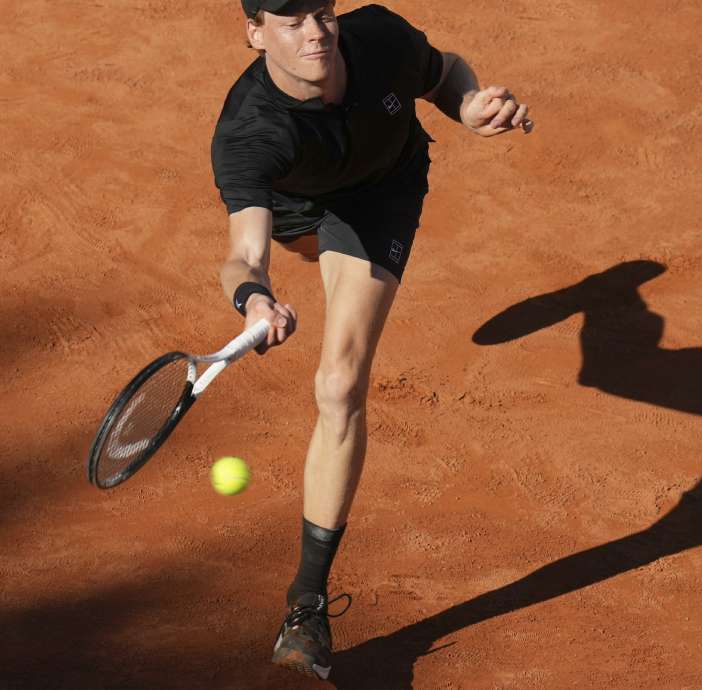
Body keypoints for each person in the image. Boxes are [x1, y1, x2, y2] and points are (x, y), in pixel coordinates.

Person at [210, 0, 531, 679]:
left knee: (339, 384)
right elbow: (244, 254)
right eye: (291, 22)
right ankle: (325, 255)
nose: (316, 33)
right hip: (297, 210)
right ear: (254, 33)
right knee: (304, 251)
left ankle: (306, 605)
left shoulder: (379, 37)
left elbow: (444, 73)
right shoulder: (249, 131)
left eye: (322, 12)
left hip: (380, 193)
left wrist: (468, 105)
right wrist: (254, 297)